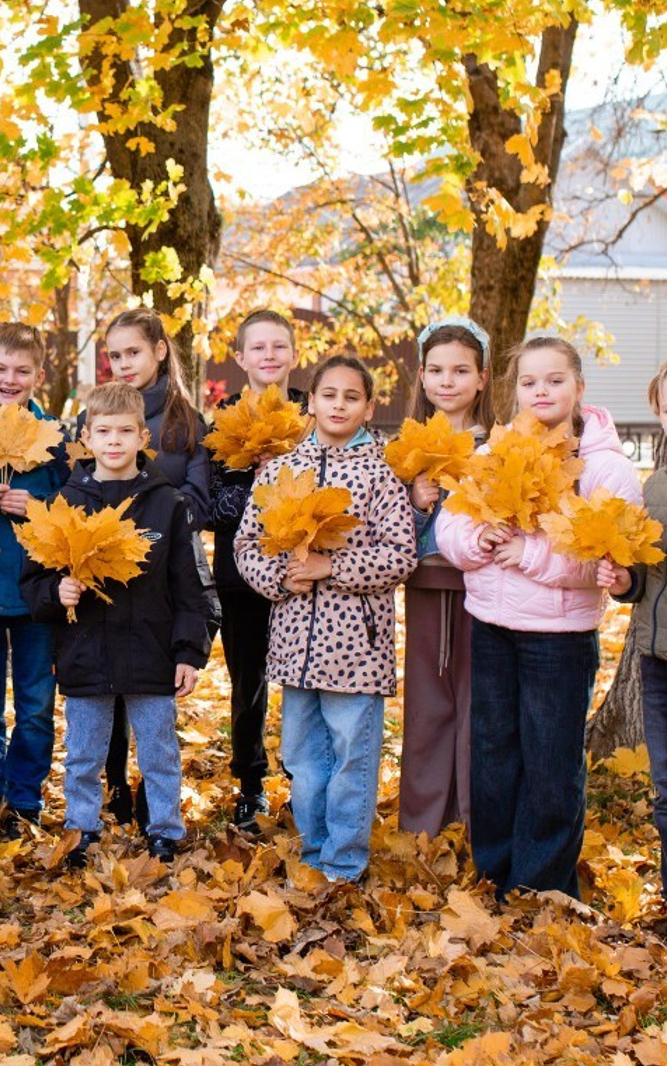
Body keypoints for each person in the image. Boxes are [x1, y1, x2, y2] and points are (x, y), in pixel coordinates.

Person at [436, 337, 641, 899]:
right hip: (492, 626)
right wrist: (477, 539)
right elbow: (450, 523)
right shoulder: (492, 454)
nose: (541, 391)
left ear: (579, 387)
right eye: (529, 382)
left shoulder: (603, 467)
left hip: (559, 638)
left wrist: (528, 553)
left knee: (551, 762)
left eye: (555, 380)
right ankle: (496, 874)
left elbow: (606, 556)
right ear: (515, 390)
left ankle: (542, 887)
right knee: (493, 754)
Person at [237, 354, 416, 884]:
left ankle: (343, 862)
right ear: (310, 401)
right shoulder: (280, 470)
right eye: (329, 395)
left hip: (357, 647)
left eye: (351, 397)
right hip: (294, 642)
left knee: (351, 758)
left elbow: (401, 554)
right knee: (301, 757)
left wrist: (331, 567)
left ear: (368, 407)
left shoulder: (381, 473)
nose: (339, 405)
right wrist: (280, 577)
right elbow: (247, 544)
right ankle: (313, 852)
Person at [21, 382, 210, 866]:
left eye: (125, 431)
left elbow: (188, 587)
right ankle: (81, 829)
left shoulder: (167, 504)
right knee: (83, 752)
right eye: (103, 431)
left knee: (159, 751)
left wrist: (189, 652)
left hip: (152, 652)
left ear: (142, 438)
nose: (114, 441)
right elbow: (33, 579)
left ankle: (164, 830)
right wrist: (55, 592)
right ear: (86, 437)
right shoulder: (65, 503)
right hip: (86, 650)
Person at [95, 307, 210, 825]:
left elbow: (199, 501)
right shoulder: (98, 415)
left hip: (165, 573)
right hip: (105, 572)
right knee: (108, 687)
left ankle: (154, 796)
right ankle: (115, 784)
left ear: (160, 351)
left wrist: (155, 518)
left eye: (133, 352)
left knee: (152, 690)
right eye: (114, 355)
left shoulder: (186, 421)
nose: (124, 364)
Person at [0, 322, 68, 837]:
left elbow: (78, 507)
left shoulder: (56, 440)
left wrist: (39, 504)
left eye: (22, 371)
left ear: (39, 377)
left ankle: (25, 798)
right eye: (0, 369)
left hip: (33, 597)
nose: (10, 379)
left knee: (36, 706)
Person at [207, 308, 305, 832]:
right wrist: (256, 485)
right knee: (248, 682)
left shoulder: (314, 413)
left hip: (306, 572)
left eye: (279, 346)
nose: (269, 355)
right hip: (241, 572)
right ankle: (250, 784)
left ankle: (305, 781)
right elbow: (211, 505)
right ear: (241, 357)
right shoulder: (223, 420)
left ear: (294, 354)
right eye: (259, 347)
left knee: (306, 681)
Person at [398, 316, 496, 839]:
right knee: (428, 701)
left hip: (485, 588)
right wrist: (416, 502)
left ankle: (476, 819)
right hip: (426, 583)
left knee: (479, 700)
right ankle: (424, 824)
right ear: (422, 376)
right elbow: (387, 527)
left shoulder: (498, 445)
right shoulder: (407, 447)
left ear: (482, 378)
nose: (447, 381)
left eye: (460, 370)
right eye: (436, 370)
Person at [607, 361, 667, 904]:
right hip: (657, 654)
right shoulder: (654, 484)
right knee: (665, 790)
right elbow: (645, 571)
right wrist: (626, 582)